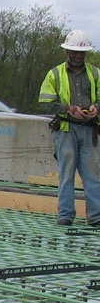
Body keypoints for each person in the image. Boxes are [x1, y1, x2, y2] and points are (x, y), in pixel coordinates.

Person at [39, 29, 100, 226]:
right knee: (67, 174)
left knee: (92, 175)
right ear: (67, 52)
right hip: (66, 129)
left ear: (85, 54)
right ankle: (65, 215)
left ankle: (96, 217)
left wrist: (96, 108)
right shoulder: (55, 74)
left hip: (89, 129)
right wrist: (67, 109)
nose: (76, 56)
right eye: (73, 52)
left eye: (80, 53)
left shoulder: (95, 73)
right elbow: (45, 102)